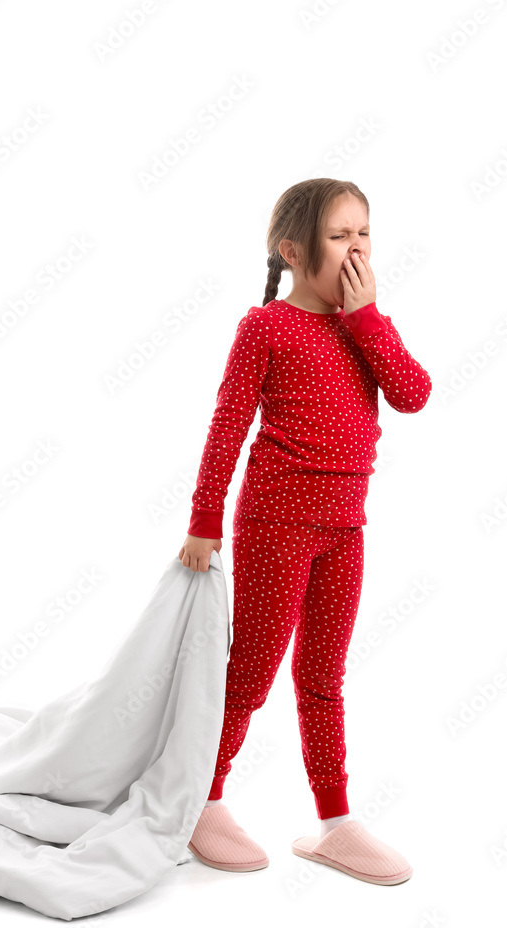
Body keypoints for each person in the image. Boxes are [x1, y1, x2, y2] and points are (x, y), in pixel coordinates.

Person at [177, 178, 431, 885]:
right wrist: (204, 522)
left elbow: (413, 393)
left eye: (363, 235)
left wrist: (368, 318)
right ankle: (202, 796)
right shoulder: (264, 328)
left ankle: (333, 821)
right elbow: (227, 425)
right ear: (292, 251)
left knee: (322, 678)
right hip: (275, 525)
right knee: (250, 676)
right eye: (337, 236)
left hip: (345, 528)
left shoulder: (366, 327)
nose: (355, 251)